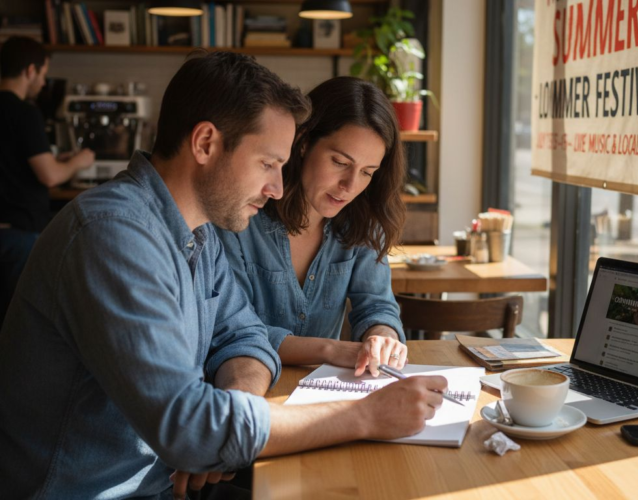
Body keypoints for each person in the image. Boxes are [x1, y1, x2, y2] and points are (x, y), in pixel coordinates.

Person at [0, 52, 446, 499]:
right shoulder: (112, 236)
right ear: (206, 143)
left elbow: (243, 337)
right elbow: (192, 429)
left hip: (164, 482)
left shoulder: (199, 234)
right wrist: (366, 415)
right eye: (268, 163)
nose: (276, 187)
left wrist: (233, 419)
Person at [217, 77, 408, 377]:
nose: (349, 186)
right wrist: (331, 349)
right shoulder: (243, 216)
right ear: (304, 141)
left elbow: (376, 306)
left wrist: (382, 336)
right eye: (340, 162)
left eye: (367, 172)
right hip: (249, 390)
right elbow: (233, 328)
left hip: (326, 393)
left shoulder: (363, 222)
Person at [0, 36, 95, 325]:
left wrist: (58, 158)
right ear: (30, 71)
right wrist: (80, 161)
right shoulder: (25, 113)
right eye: (42, 74)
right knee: (16, 321)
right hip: (18, 234)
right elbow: (50, 175)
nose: (43, 83)